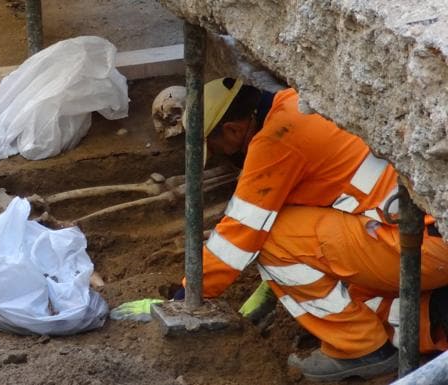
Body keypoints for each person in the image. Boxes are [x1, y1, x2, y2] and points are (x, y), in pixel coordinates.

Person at [176, 77, 448, 382]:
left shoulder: (276, 140)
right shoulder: (296, 99)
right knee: (329, 271)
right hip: (424, 226)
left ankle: (360, 347)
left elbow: (239, 236)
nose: (220, 155)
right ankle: (429, 316)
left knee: (273, 242)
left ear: (233, 130)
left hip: (420, 244)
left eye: (216, 148)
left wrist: (188, 294)